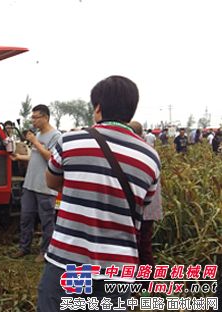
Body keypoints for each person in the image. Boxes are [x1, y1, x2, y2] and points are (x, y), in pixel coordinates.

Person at [37, 76, 161, 311]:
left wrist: (81, 186)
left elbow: (52, 181)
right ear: (131, 110)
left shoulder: (70, 141)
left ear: (98, 108)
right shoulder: (149, 157)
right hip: (117, 271)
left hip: (70, 263)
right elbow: (144, 203)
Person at [10, 105, 61, 262]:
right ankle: (24, 247)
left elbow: (51, 158)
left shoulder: (56, 136)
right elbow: (35, 156)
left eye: (35, 117)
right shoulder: (38, 134)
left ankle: (45, 251)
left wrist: (34, 141)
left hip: (45, 186)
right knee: (26, 218)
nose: (33, 120)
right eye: (32, 117)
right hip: (30, 184)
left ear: (45, 117)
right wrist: (19, 157)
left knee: (46, 221)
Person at [128, 121, 163, 266]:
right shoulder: (148, 151)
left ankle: (146, 283)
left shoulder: (138, 152)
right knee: (142, 246)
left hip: (144, 207)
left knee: (142, 247)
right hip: (148, 207)